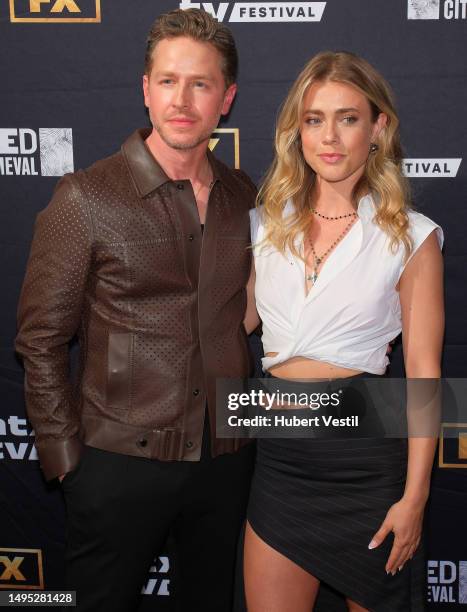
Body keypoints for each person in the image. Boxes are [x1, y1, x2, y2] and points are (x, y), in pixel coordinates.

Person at [15, 9, 257, 612]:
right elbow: (41, 339)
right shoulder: (86, 197)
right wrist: (68, 461)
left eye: (200, 83)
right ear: (145, 90)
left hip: (226, 461)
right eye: (169, 81)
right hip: (116, 467)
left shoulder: (244, 197)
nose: (183, 99)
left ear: (225, 98)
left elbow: (250, 315)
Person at [243, 51, 444, 611]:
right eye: (313, 119)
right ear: (296, 132)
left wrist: (415, 496)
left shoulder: (412, 237)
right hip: (281, 462)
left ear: (378, 128)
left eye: (348, 118)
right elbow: (229, 324)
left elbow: (425, 374)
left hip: (366, 464)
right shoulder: (263, 224)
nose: (329, 136)